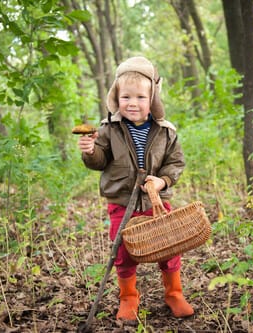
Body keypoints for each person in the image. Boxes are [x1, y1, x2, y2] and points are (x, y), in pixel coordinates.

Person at [77, 56, 194, 321]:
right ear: (115, 98)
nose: (133, 103)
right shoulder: (108, 129)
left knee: (169, 246)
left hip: (155, 200)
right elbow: (100, 161)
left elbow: (176, 162)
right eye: (126, 97)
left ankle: (174, 293)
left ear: (152, 98)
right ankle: (129, 297)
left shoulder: (165, 131)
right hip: (122, 201)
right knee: (124, 250)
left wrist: (162, 181)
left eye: (141, 97)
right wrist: (91, 151)